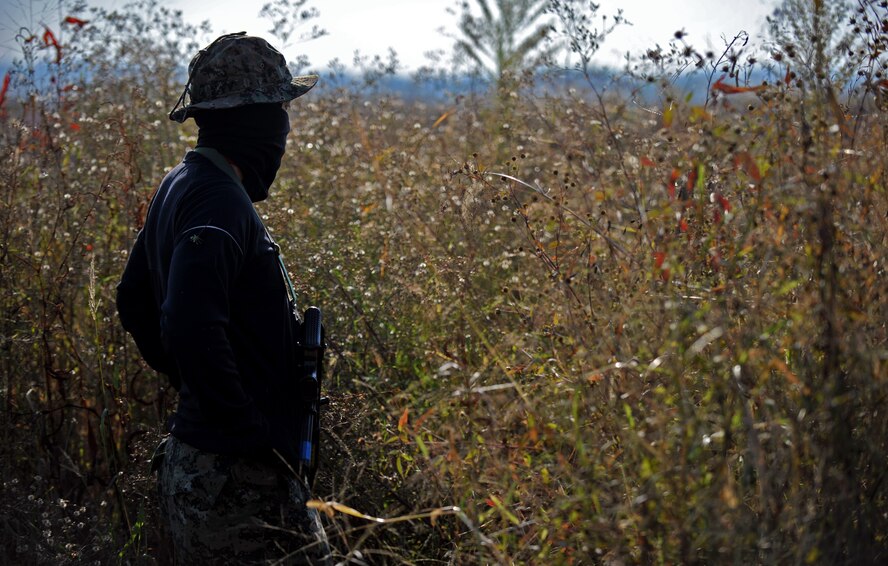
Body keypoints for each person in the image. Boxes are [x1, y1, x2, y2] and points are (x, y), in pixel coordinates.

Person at [116, 32, 331, 564]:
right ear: (253, 120)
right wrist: (242, 426)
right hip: (234, 476)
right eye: (280, 109)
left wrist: (195, 388)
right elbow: (188, 323)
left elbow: (134, 300)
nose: (285, 126)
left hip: (208, 461)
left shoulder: (182, 183)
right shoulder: (218, 202)